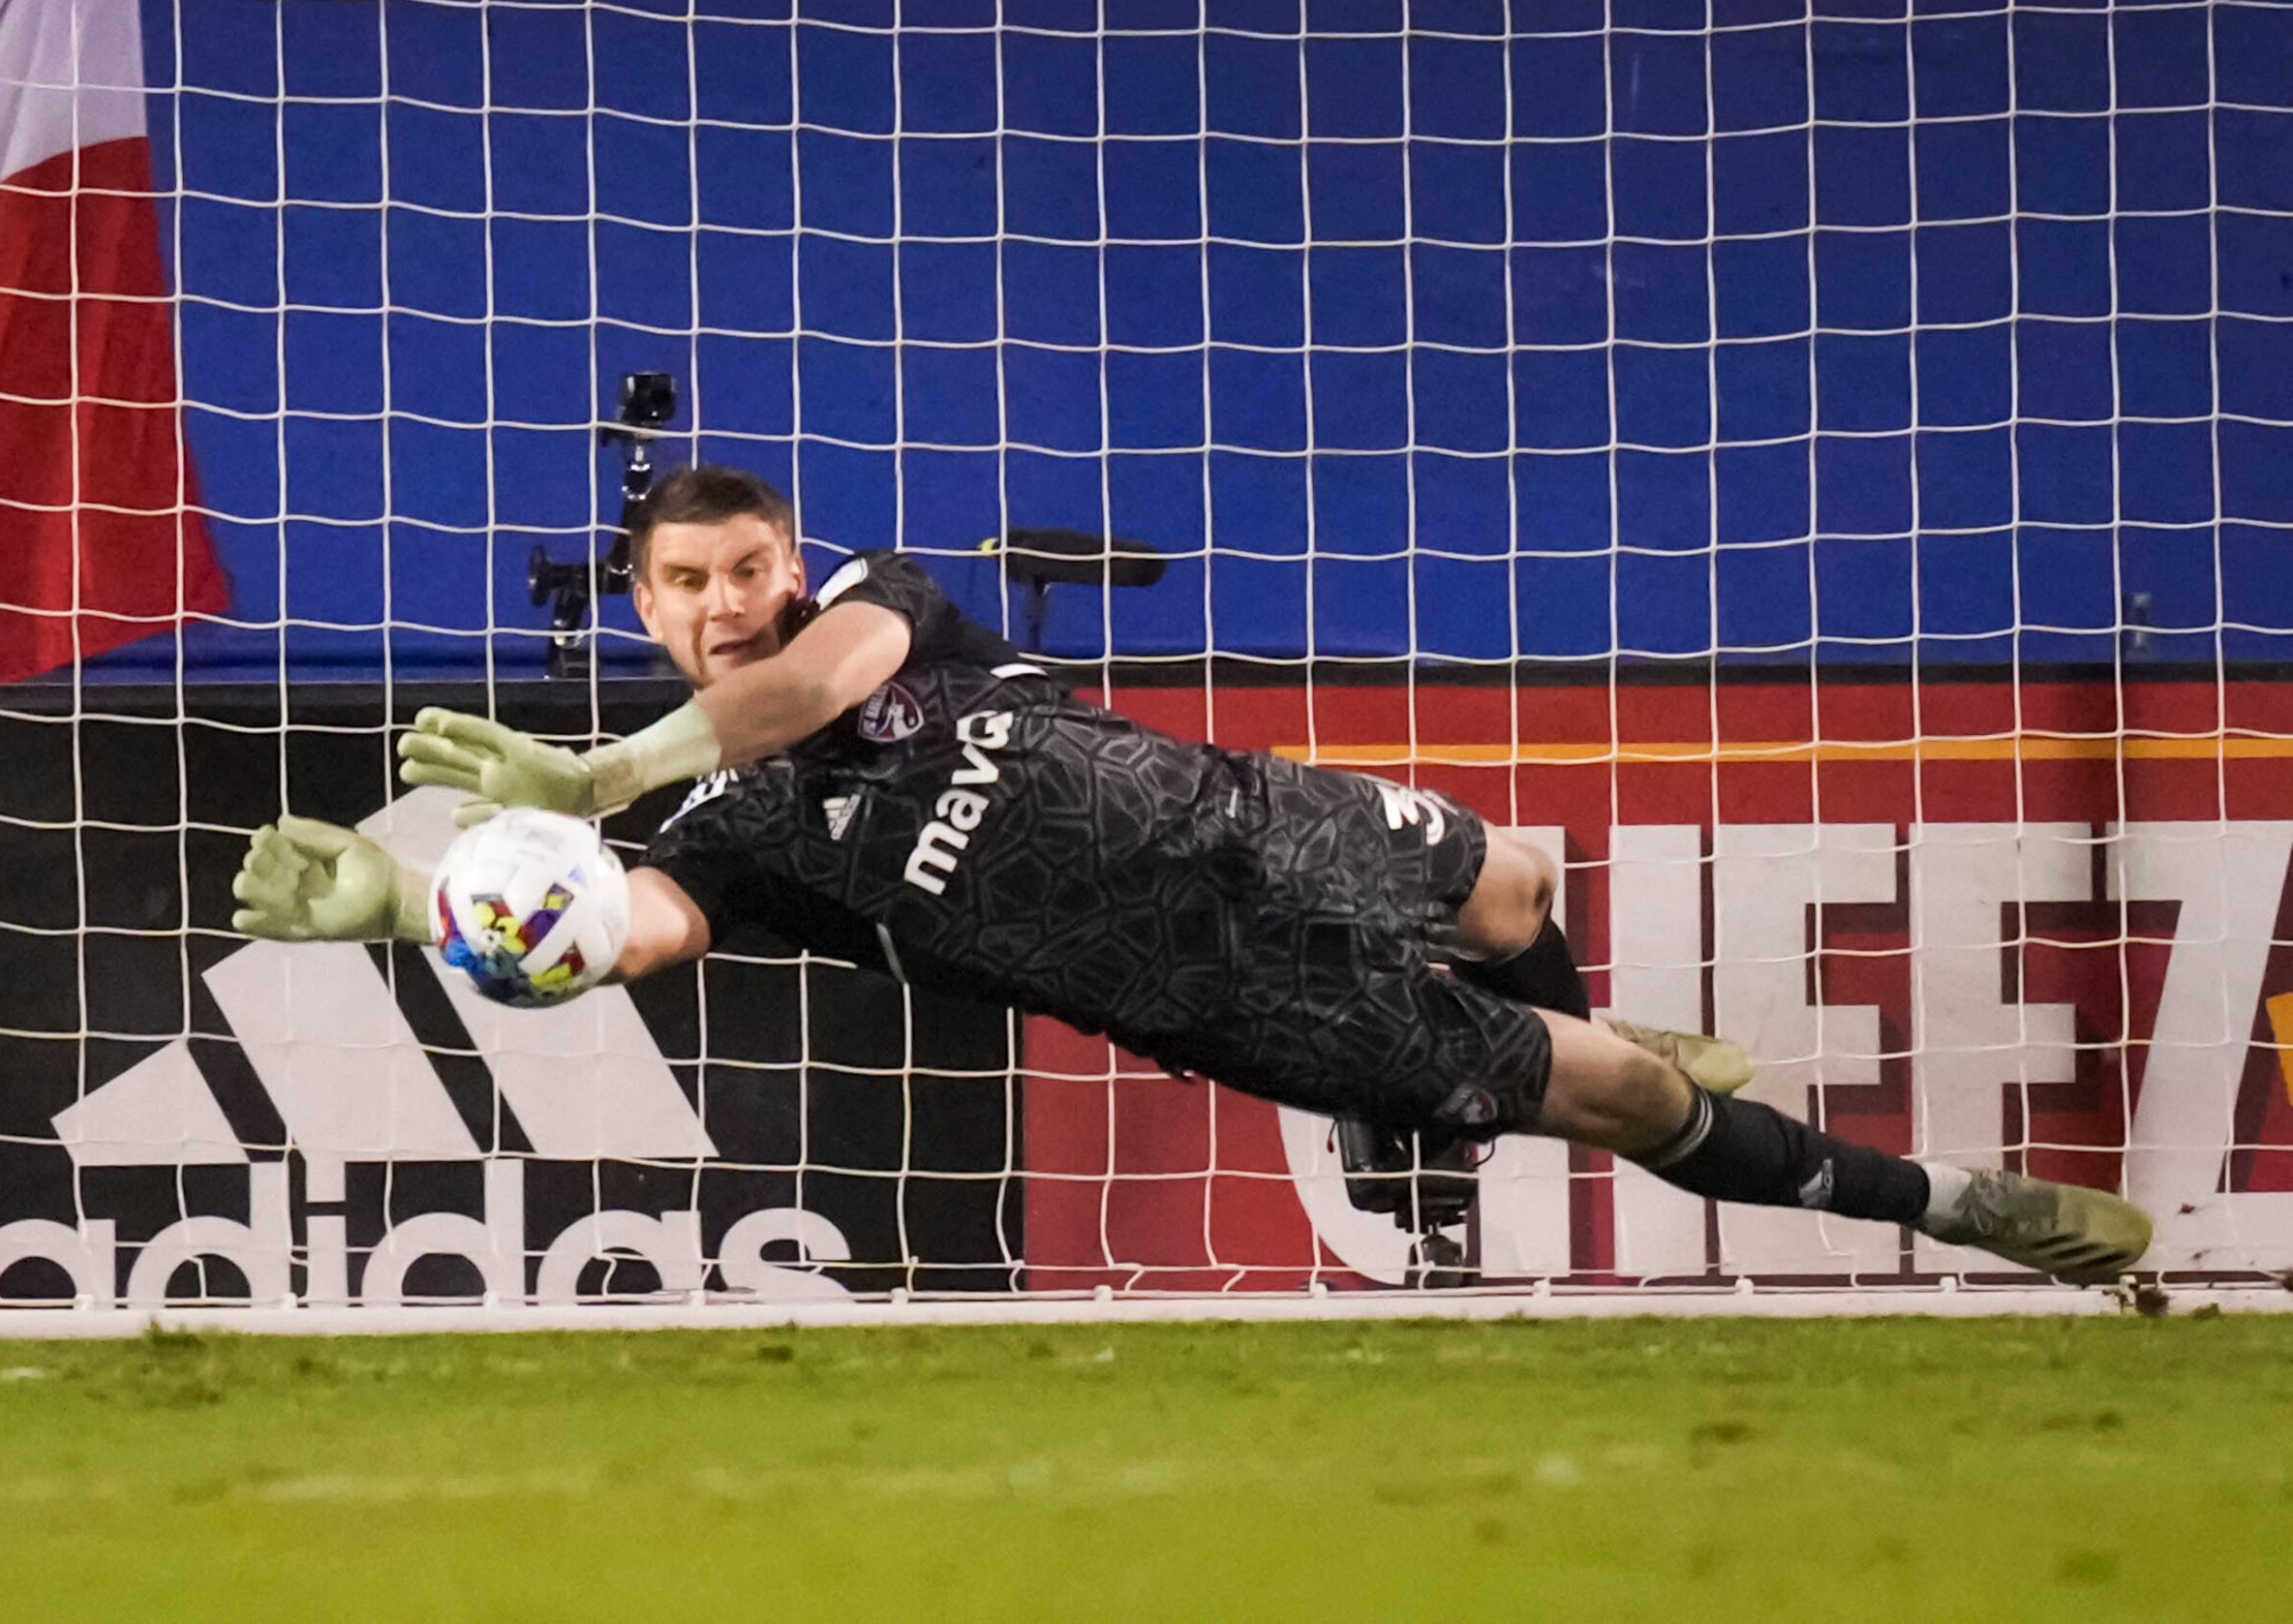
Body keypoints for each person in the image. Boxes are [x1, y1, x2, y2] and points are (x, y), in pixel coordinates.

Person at [233, 465, 2153, 1284]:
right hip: (1218, 995)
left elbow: (812, 687)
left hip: (1242, 814)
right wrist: (414, 911)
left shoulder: (872, 614)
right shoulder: (727, 833)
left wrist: (591, 765)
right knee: (1626, 1097)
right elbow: (630, 923)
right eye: (688, 586)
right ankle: (1979, 1217)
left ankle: (1501, 1037)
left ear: (786, 561)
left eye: (749, 567)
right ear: (647, 609)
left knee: (1506, 874)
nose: (730, 602)